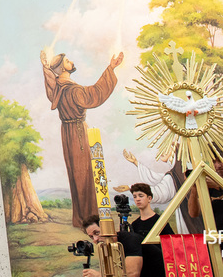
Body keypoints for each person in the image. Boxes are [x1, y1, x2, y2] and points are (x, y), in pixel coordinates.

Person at [40, 49, 124, 226]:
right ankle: (89, 217)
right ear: (62, 67)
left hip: (68, 133)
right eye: (68, 60)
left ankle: (81, 217)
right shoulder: (72, 90)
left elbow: (50, 85)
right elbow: (94, 94)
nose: (71, 62)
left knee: (77, 174)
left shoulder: (58, 89)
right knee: (85, 173)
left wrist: (45, 68)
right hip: (79, 132)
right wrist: (110, 69)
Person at [129, 183, 174, 277]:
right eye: (135, 196)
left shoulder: (160, 221)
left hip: (159, 268)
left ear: (149, 198)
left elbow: (171, 244)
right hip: (143, 268)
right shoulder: (135, 224)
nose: (137, 199)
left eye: (141, 196)